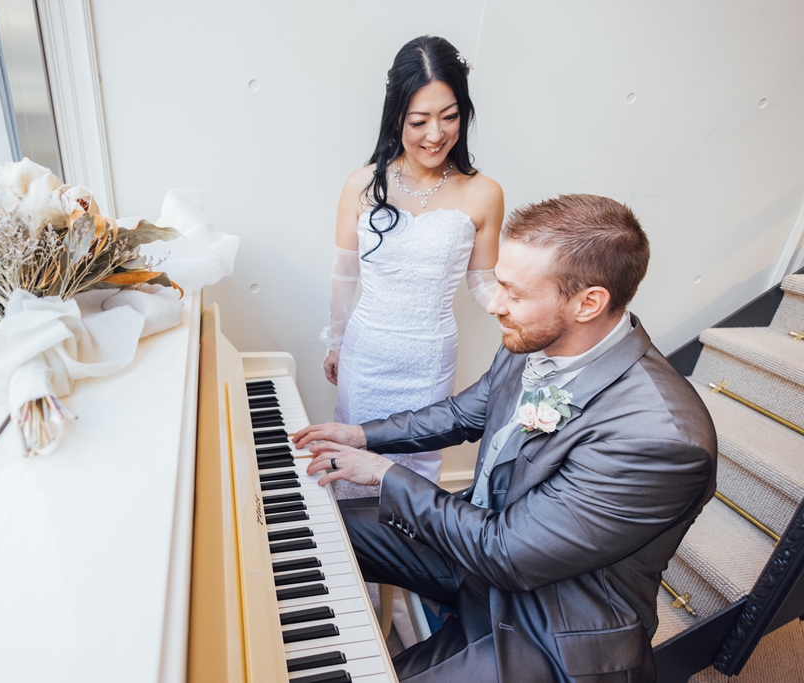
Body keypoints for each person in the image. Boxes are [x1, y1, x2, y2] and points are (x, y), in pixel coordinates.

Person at [294, 194, 717, 683]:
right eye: (499, 284)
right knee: (315, 527)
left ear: (589, 303)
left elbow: (509, 554)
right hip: (477, 553)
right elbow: (461, 413)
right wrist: (362, 434)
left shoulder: (660, 438)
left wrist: (386, 475)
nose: (495, 304)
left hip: (549, 623)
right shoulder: (534, 340)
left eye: (513, 293)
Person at [321, 35, 504, 502]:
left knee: (416, 472)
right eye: (419, 121)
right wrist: (336, 343)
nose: (435, 135)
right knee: (353, 465)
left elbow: (482, 281)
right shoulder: (361, 185)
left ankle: (405, 570)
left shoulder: (484, 193)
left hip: (428, 358)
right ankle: (357, 569)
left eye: (449, 118)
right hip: (366, 353)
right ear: (396, 116)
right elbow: (345, 275)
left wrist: (517, 305)